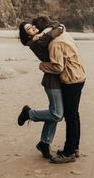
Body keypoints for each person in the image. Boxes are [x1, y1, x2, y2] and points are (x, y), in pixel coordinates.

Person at [36, 16, 86, 164]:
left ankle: (69, 153)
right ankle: (74, 148)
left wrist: (41, 66)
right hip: (79, 76)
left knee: (70, 116)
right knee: (74, 115)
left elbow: (58, 67)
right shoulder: (63, 33)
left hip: (71, 79)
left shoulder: (55, 44)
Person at [18, 18, 64, 159]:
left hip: (57, 78)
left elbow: (56, 23)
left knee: (53, 114)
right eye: (28, 29)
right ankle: (29, 113)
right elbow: (56, 30)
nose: (32, 27)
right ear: (28, 35)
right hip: (52, 81)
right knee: (57, 114)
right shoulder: (35, 42)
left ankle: (44, 143)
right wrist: (58, 28)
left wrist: (56, 26)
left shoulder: (40, 36)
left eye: (31, 25)